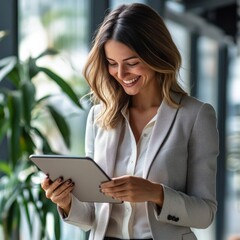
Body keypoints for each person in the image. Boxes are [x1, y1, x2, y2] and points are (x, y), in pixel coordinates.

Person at [41, 3, 219, 240]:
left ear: (156, 54)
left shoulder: (195, 116)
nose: (121, 74)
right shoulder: (99, 116)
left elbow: (205, 213)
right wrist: (65, 202)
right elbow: (92, 217)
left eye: (132, 62)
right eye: (112, 63)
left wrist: (156, 193)